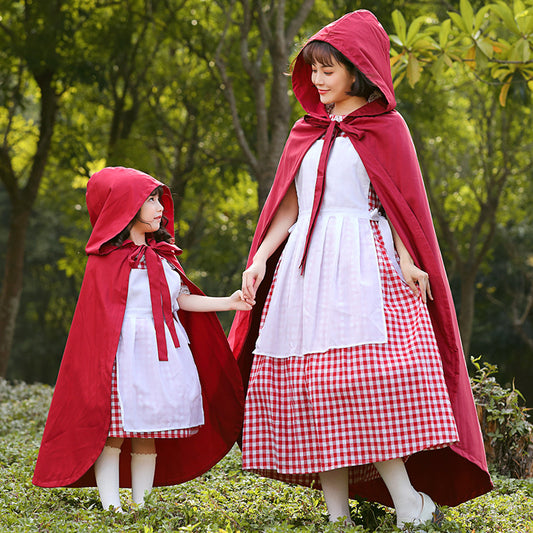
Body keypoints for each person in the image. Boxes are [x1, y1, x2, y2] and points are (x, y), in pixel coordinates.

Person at [229, 10, 492, 529]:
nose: (318, 79)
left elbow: (400, 205)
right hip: (305, 269)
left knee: (365, 385)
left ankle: (411, 501)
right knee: (315, 391)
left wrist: (408, 260)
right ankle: (337, 517)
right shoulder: (305, 131)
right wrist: (258, 258)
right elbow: (288, 206)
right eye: (314, 69)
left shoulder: (385, 127)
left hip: (362, 266)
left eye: (328, 69)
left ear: (358, 69)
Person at [33, 166, 251, 512]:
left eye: (157, 198)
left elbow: (180, 300)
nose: (159, 206)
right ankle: (111, 507)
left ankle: (141, 505)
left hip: (162, 353)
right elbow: (94, 324)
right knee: (115, 431)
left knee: (147, 431)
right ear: (123, 207)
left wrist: (229, 302)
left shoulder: (164, 257)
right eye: (148, 199)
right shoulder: (104, 262)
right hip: (121, 355)